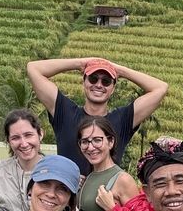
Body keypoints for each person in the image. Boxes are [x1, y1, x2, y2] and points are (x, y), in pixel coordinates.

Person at [26, 56, 168, 173]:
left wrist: (118, 70)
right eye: (93, 79)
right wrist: (80, 63)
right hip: (65, 198)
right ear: (84, 82)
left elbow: (160, 88)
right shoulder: (65, 112)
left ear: (112, 88)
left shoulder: (123, 119)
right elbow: (33, 68)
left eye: (106, 81)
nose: (99, 85)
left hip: (104, 200)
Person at [0, 108, 47, 211]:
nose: (24, 143)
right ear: (8, 141)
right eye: (15, 138)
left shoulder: (56, 172)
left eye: (28, 135)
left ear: (40, 134)